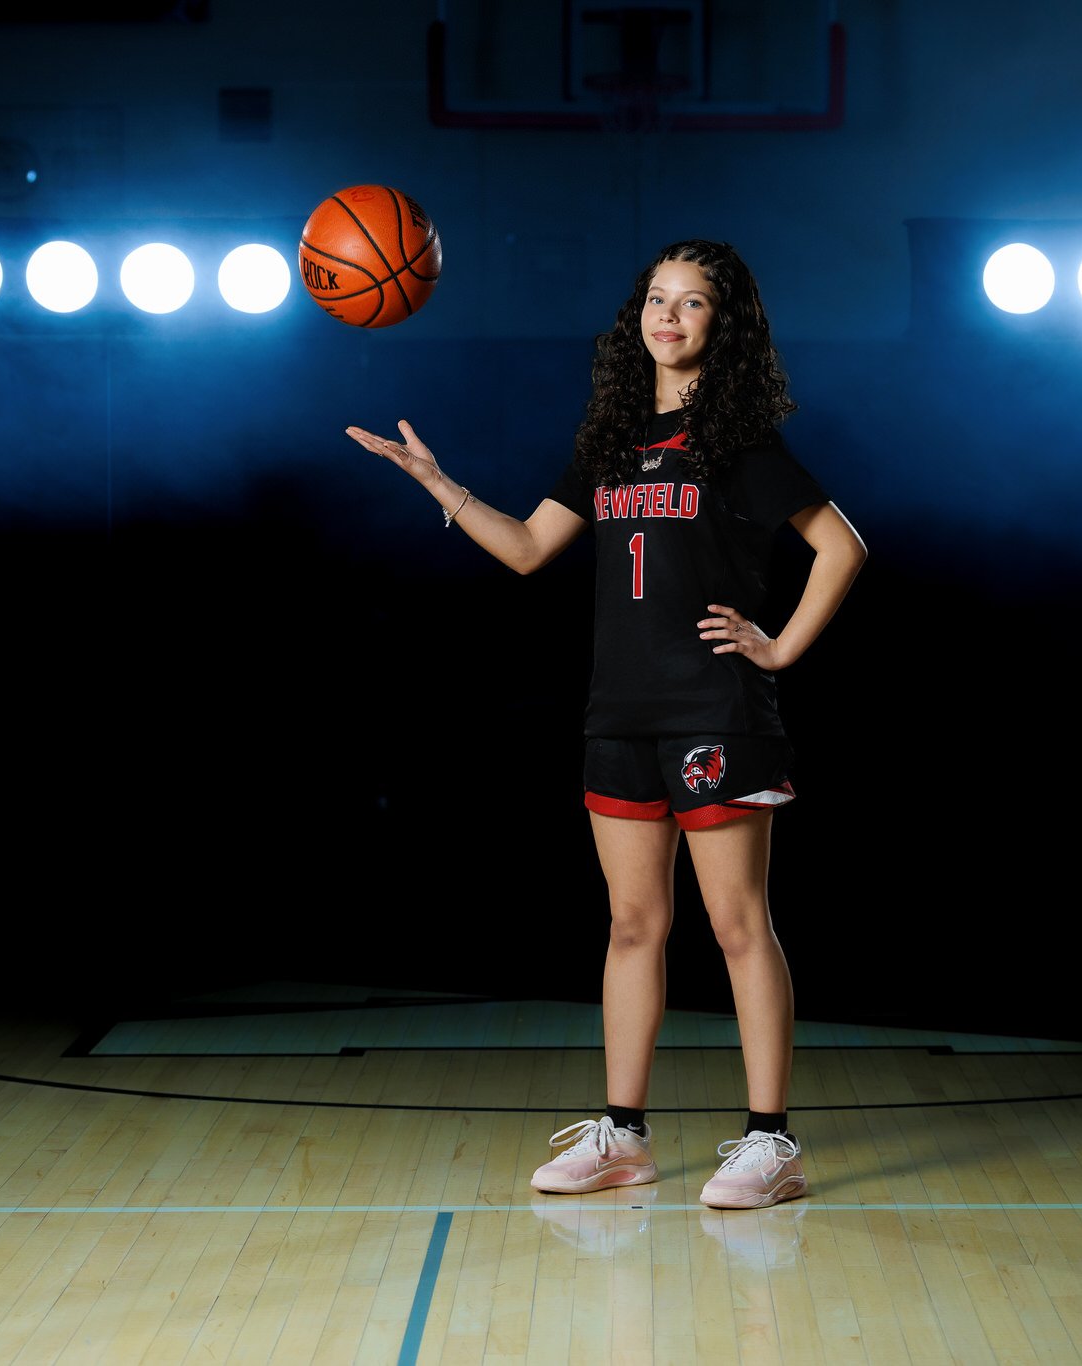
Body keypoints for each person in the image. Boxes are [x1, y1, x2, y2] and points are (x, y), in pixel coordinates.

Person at [346, 239, 865, 1210]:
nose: (667, 316)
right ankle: (621, 1135)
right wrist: (436, 482)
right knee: (632, 923)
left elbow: (839, 546)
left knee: (735, 923)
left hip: (717, 711)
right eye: (656, 299)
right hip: (617, 714)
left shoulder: (739, 444)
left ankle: (769, 1143)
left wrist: (780, 646)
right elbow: (531, 548)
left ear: (727, 325)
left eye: (693, 302)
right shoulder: (610, 440)